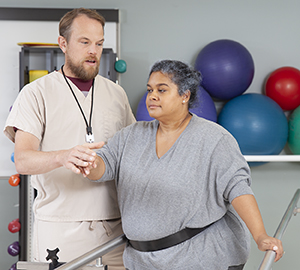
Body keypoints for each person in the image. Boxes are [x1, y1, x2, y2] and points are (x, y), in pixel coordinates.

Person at [75, 60, 284, 270]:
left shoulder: (214, 139)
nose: (152, 96)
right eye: (150, 90)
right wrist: (89, 163)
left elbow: (238, 189)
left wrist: (261, 235)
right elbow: (104, 165)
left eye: (162, 90)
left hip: (203, 257)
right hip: (143, 261)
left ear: (185, 95)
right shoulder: (130, 136)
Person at [4, 8, 135, 269]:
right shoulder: (35, 93)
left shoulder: (116, 94)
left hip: (116, 228)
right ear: (63, 43)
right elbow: (23, 160)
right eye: (84, 42)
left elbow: (131, 151)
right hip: (61, 225)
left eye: (99, 43)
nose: (93, 51)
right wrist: (63, 156)